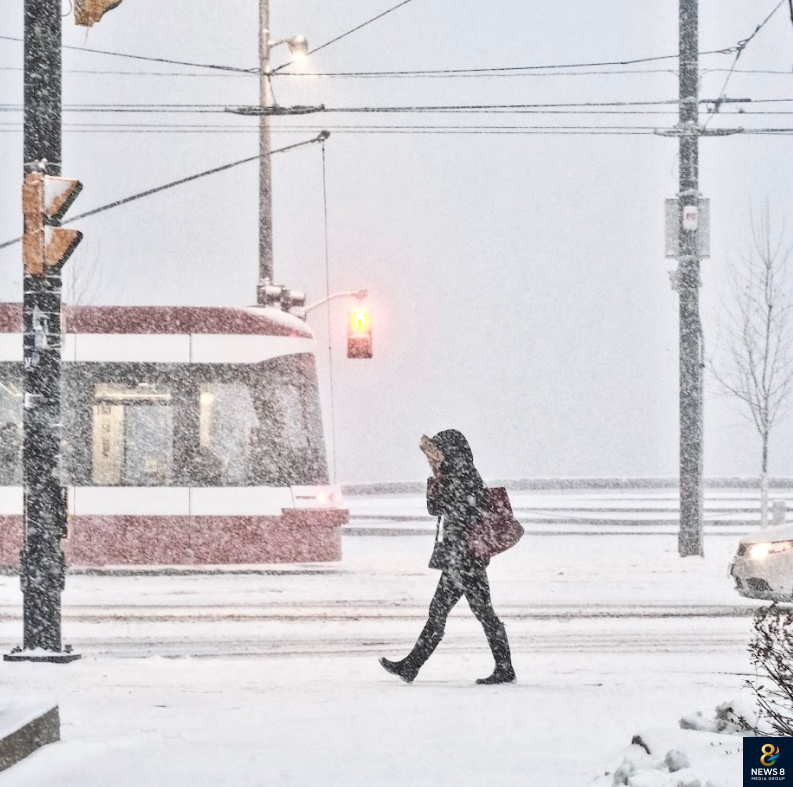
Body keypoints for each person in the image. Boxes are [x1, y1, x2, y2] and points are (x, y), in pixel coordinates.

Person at [379, 429, 516, 685]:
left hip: (465, 558)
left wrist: (441, 483)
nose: (435, 455)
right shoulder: (456, 473)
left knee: (457, 612)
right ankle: (412, 665)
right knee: (476, 612)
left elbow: (459, 510)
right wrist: (437, 479)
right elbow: (436, 509)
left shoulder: (462, 474)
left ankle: (413, 666)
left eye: (438, 450)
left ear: (450, 450)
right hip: (462, 557)